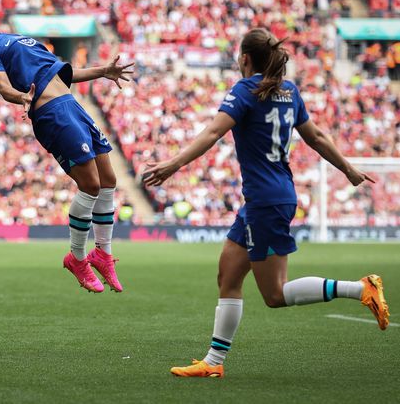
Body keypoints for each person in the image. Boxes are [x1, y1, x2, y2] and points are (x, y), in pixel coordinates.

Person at [143, 28, 390, 378]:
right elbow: (316, 136)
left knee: (274, 294)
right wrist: (348, 169)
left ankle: (360, 288)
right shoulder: (288, 91)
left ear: (245, 58)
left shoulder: (245, 90)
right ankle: (213, 363)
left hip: (267, 201)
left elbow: (213, 132)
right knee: (228, 274)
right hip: (264, 198)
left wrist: (173, 165)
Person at [0, 13, 133, 293]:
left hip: (71, 105)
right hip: (52, 113)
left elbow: (63, 76)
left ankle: (103, 254)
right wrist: (21, 96)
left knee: (108, 180)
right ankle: (77, 257)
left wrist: (103, 72)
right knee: (91, 185)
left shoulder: (14, 39)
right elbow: (3, 87)